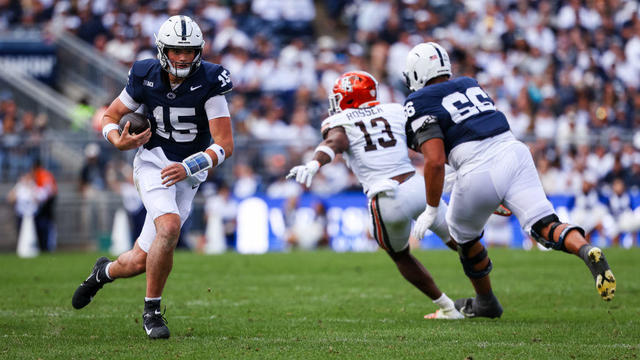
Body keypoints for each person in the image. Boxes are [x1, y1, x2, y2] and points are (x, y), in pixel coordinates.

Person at [402, 42, 616, 318]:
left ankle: (486, 301)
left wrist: (432, 209)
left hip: (476, 167)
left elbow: (434, 159)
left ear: (418, 72)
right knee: (546, 225)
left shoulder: (418, 101)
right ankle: (586, 249)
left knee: (462, 236)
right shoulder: (469, 83)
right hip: (513, 151)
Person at [71, 15, 234, 339]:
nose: (184, 57)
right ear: (163, 50)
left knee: (138, 262)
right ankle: (153, 311)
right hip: (153, 162)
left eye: (189, 51)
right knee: (169, 226)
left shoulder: (212, 80)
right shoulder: (145, 74)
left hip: (189, 172)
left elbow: (225, 144)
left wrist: (189, 167)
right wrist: (114, 138)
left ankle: (102, 273)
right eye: (176, 50)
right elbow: (110, 115)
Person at [287, 71, 463, 319]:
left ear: (348, 98)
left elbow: (334, 142)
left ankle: (447, 308)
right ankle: (485, 293)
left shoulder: (341, 120)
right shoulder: (395, 110)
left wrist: (314, 163)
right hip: (416, 185)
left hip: (386, 195)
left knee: (400, 255)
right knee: (460, 240)